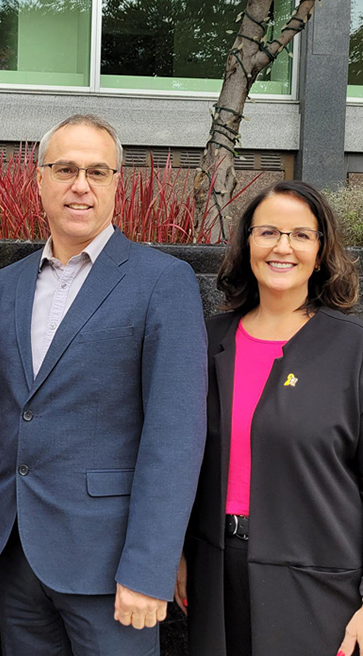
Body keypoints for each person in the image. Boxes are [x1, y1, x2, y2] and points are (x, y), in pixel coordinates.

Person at [0, 113, 207, 655]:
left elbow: (175, 438)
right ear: (40, 179)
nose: (80, 185)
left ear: (117, 183)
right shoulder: (5, 285)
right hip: (15, 558)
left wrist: (150, 567)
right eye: (65, 169)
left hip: (113, 569)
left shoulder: (163, 281)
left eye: (97, 171)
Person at [178, 180, 363, 656]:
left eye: (302, 235)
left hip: (318, 583)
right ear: (247, 245)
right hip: (215, 572)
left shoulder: (354, 349)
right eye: (268, 232)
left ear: (321, 252)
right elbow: (178, 458)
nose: (283, 247)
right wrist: (177, 553)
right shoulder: (207, 339)